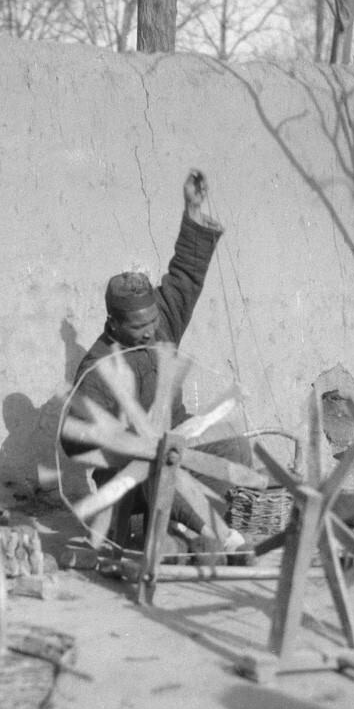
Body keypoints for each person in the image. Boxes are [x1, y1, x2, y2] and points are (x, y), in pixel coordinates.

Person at [62, 169, 249, 561]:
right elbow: (74, 437)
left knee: (233, 446)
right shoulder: (97, 368)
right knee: (158, 464)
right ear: (113, 324)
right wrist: (120, 440)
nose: (151, 332)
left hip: (175, 445)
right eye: (139, 327)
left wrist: (193, 213)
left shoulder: (161, 319)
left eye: (153, 323)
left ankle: (185, 522)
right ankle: (212, 531)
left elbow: (185, 276)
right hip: (131, 474)